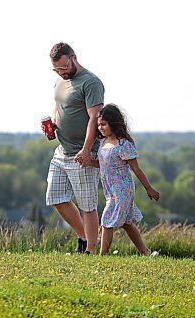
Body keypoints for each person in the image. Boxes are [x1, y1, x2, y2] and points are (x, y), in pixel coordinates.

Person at [45, 42, 105, 254]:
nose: (61, 73)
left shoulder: (91, 82)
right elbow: (59, 105)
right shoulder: (59, 82)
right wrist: (53, 122)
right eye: (57, 69)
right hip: (62, 151)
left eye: (64, 68)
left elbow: (94, 118)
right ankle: (85, 236)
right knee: (55, 197)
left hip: (83, 153)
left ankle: (90, 250)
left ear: (73, 57)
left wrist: (87, 149)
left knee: (87, 205)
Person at [93, 103, 160, 256]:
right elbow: (104, 164)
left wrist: (149, 188)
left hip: (122, 190)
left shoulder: (123, 144)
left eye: (103, 124)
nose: (101, 128)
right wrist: (87, 162)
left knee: (106, 220)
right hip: (110, 191)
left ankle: (102, 256)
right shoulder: (103, 143)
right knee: (127, 223)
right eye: (99, 125)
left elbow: (136, 168)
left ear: (113, 123)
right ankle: (145, 252)